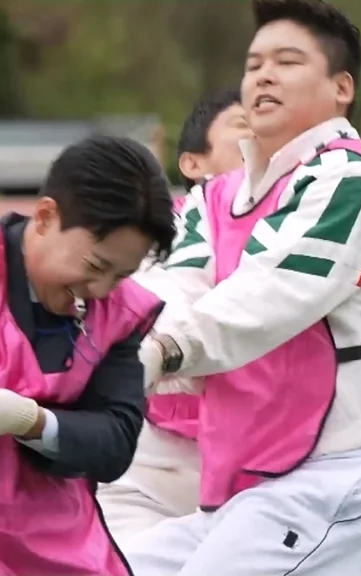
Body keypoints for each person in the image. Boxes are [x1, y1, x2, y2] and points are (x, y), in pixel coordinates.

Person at [121, 1, 361, 574]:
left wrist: (160, 353)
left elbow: (269, 296)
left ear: (342, 87)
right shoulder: (212, 198)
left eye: (287, 62)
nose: (264, 76)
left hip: (340, 471)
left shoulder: (350, 178)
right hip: (247, 486)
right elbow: (174, 289)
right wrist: (125, 351)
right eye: (254, 64)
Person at [0, 135, 175, 575]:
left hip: (52, 546)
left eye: (120, 275)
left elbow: (115, 442)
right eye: (95, 266)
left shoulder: (122, 316)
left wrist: (32, 421)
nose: (99, 290)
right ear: (46, 217)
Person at [98, 88, 251, 547]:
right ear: (193, 163)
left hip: (265, 465)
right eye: (244, 125)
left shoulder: (312, 221)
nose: (263, 137)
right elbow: (164, 300)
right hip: (154, 463)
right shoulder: (172, 227)